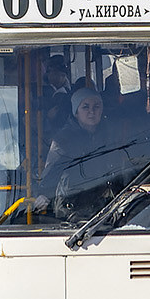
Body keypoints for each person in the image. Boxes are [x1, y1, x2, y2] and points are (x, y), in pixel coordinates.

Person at [37, 88, 127, 216]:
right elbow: (53, 171)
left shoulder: (109, 134)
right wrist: (44, 194)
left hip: (103, 203)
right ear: (76, 112)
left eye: (96, 106)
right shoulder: (64, 139)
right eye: (85, 107)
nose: (92, 111)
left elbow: (117, 166)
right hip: (71, 206)